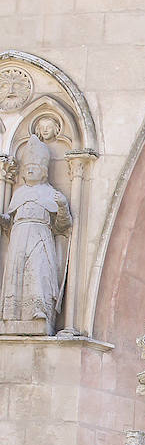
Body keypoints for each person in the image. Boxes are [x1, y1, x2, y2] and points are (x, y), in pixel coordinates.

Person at [0, 132, 72, 336]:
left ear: (44, 172)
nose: (30, 169)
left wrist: (63, 207)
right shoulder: (18, 194)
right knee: (16, 273)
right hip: (18, 237)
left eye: (35, 167)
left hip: (40, 236)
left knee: (39, 272)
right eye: (27, 167)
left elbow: (62, 227)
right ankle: (10, 314)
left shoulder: (50, 193)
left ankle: (39, 311)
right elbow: (10, 224)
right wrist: (4, 220)